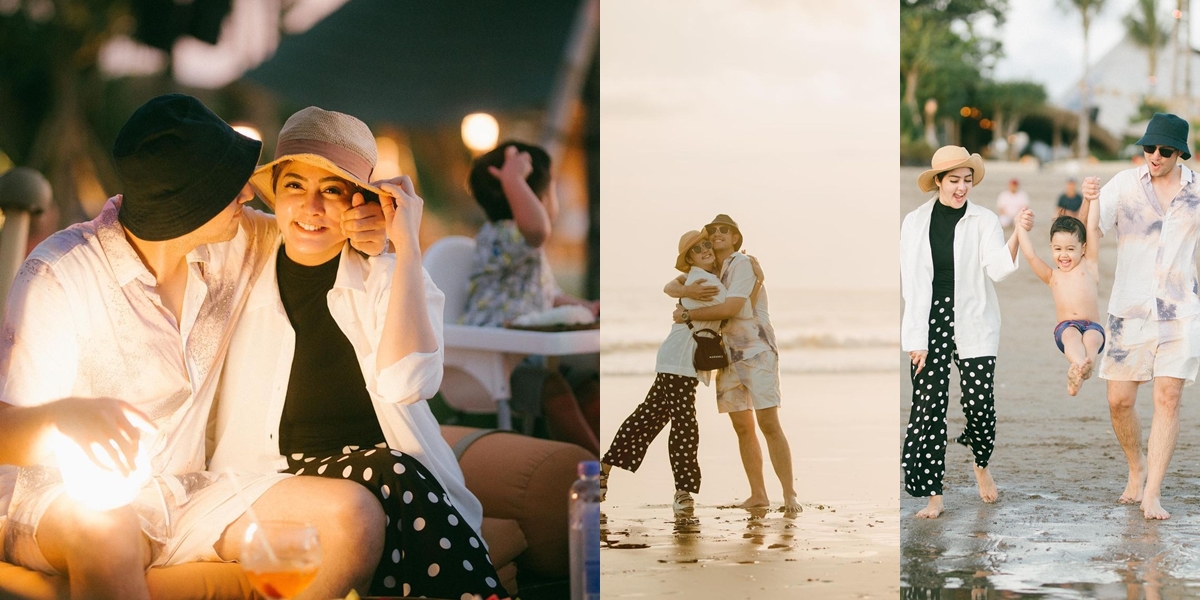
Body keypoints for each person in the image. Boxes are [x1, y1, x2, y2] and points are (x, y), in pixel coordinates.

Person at [0, 94, 389, 600]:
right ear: (191, 202)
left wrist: (382, 225)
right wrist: (65, 416)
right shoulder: (60, 275)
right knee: (106, 529)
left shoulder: (239, 241)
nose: (250, 192)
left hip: (184, 491)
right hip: (53, 500)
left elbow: (319, 229)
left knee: (353, 517)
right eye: (232, 185)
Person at [209, 107, 505, 598]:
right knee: (389, 471)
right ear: (275, 197)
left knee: (387, 482)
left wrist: (403, 246)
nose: (311, 208)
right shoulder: (245, 258)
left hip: (385, 486)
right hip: (276, 480)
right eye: (294, 188)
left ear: (362, 202)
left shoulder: (385, 275)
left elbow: (407, 383)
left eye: (332, 190)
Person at [1085, 112, 1200, 520]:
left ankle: (1152, 492)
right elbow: (1091, 232)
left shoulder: (1197, 190)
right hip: (1128, 309)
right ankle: (1136, 468)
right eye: (1149, 147)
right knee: (1120, 400)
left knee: (1168, 398)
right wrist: (1089, 200)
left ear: (1180, 152)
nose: (1154, 155)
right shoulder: (1124, 185)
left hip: (1180, 310)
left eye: (1164, 150)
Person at [900, 145, 1021, 519]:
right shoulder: (915, 222)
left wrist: (1017, 233)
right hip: (931, 318)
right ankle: (934, 496)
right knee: (928, 408)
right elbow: (913, 284)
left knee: (981, 405)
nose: (961, 187)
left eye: (967, 180)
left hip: (974, 317)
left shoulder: (984, 220)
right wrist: (915, 340)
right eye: (954, 180)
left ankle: (980, 464)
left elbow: (999, 269)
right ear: (938, 181)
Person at [459, 141, 599, 454]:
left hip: (528, 356)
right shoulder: (501, 235)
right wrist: (514, 179)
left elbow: (549, 296)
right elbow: (537, 230)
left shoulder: (522, 247)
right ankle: (594, 468)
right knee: (554, 389)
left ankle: (611, 460)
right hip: (492, 364)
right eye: (551, 190)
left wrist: (586, 308)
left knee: (587, 385)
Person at [666, 215, 799, 514]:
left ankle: (790, 495)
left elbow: (733, 309)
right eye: (712, 231)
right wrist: (687, 292)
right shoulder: (709, 269)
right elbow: (672, 285)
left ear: (736, 238)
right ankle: (758, 495)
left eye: (724, 230)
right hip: (725, 356)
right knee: (742, 426)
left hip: (756, 350)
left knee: (768, 423)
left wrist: (687, 315)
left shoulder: (742, 264)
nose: (716, 234)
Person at [601, 230, 730, 515]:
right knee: (685, 424)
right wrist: (756, 280)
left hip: (675, 359)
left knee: (648, 416)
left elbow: (672, 287)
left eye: (708, 244)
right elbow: (735, 307)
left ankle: (603, 469)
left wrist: (682, 293)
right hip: (678, 362)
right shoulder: (705, 281)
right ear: (690, 258)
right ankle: (683, 492)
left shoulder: (700, 279)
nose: (706, 250)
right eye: (698, 249)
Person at [1014, 198, 1104, 396]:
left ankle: (1082, 369)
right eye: (1058, 249)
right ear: (1051, 247)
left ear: (1083, 248)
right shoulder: (1052, 276)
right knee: (1072, 338)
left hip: (1092, 325)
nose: (1064, 255)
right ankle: (1080, 364)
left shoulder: (1090, 266)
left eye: (1070, 249)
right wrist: (1020, 227)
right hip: (1067, 326)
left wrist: (1095, 198)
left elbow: (1092, 225)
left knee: (1093, 339)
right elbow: (1030, 255)